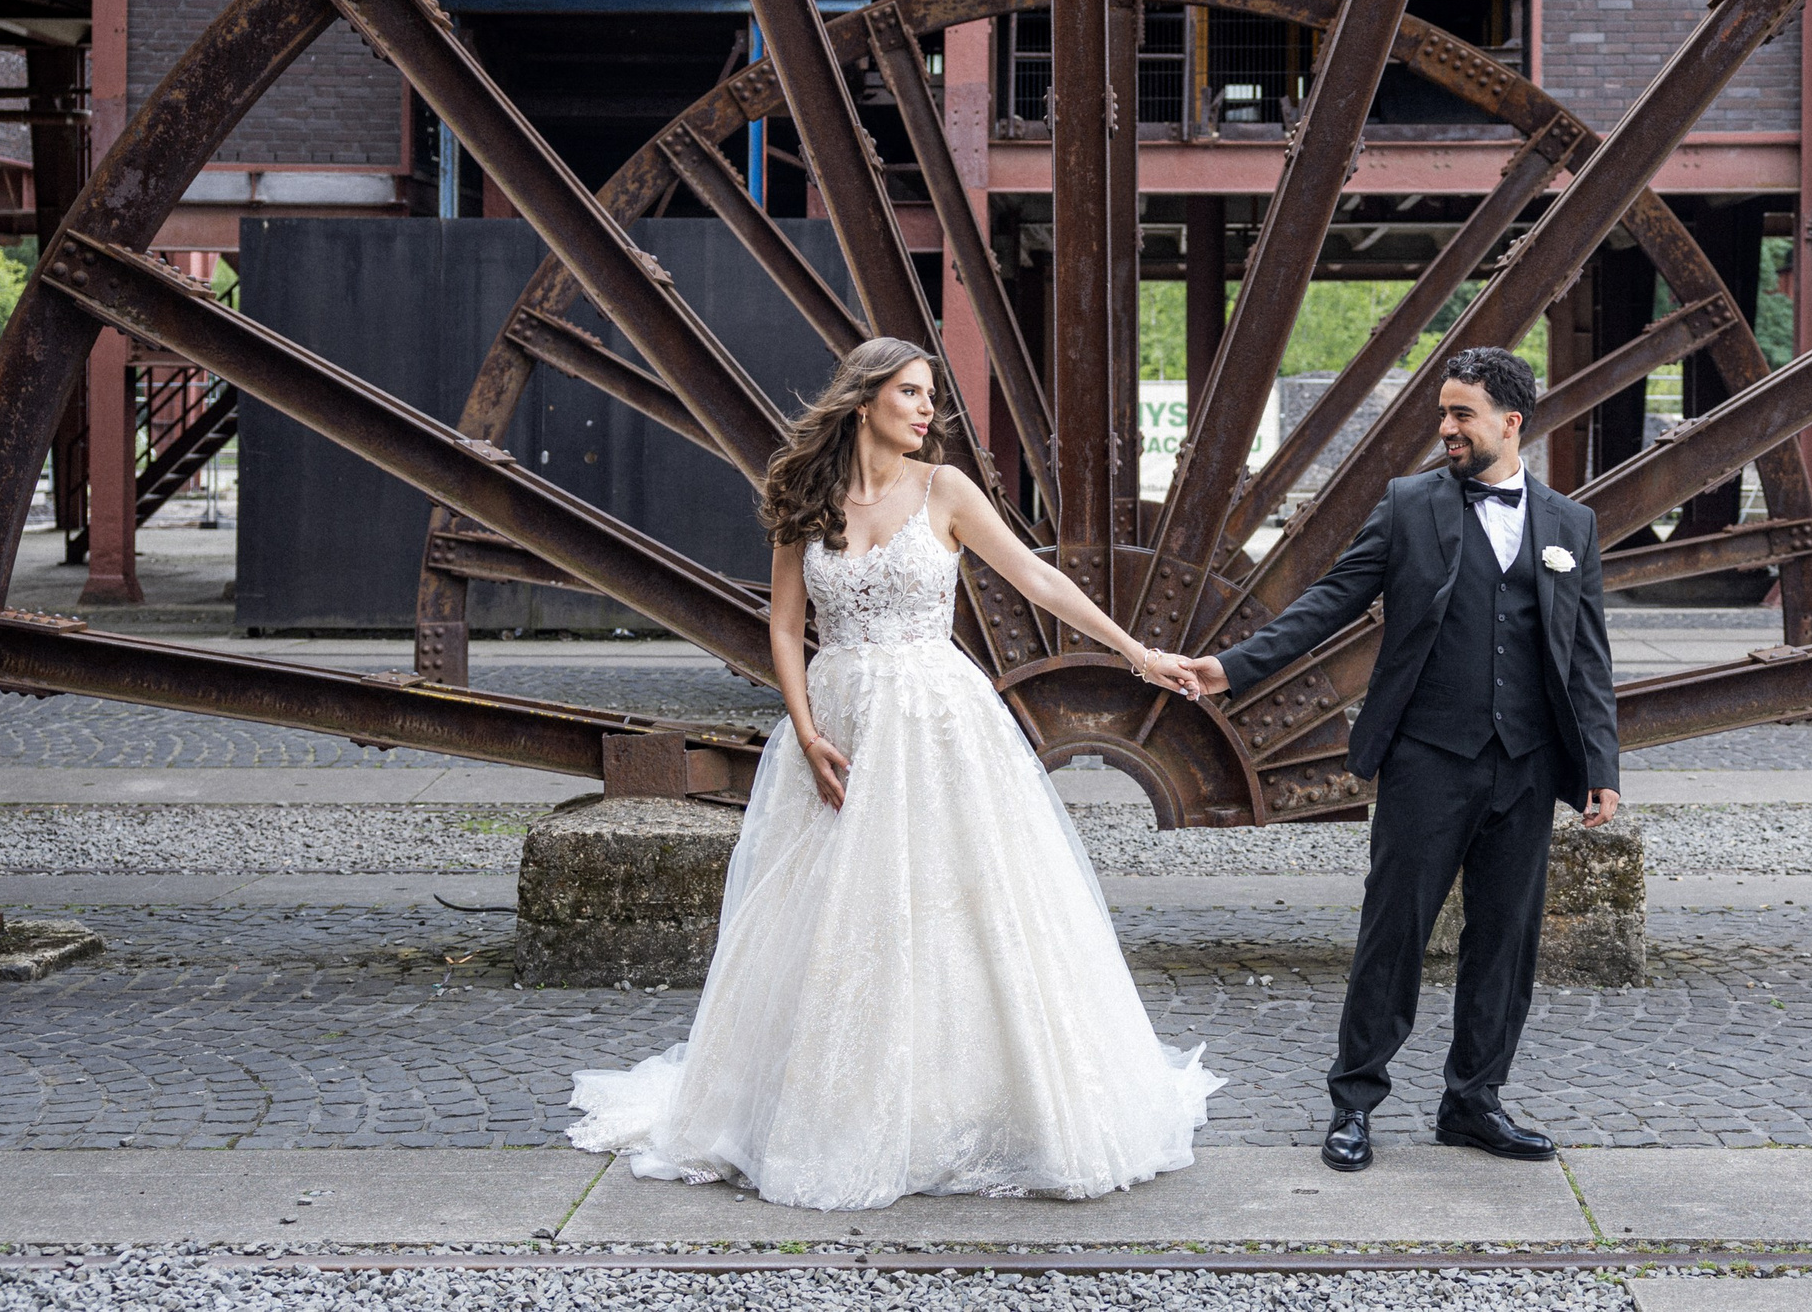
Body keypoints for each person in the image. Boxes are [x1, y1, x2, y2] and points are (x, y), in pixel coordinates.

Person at [566, 337, 1221, 1210]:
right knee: (835, 916)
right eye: (910, 392)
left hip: (938, 722)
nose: (926, 408)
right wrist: (806, 732)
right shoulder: (806, 496)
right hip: (841, 725)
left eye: (929, 395)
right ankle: (826, 1105)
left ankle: (966, 1105)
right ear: (864, 398)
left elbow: (1035, 578)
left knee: (960, 907)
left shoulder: (944, 489)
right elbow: (784, 624)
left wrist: (1140, 654)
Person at [1180, 346, 1619, 1174]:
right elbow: (1329, 600)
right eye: (1443, 412)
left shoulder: (1572, 524)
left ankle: (1474, 1102)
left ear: (1510, 422)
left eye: (1461, 414)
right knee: (1395, 931)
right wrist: (1231, 667)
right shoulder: (1409, 505)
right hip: (1427, 758)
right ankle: (1354, 1102)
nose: (1446, 427)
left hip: (1527, 765)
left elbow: (1587, 655)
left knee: (1506, 940)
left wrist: (1601, 763)